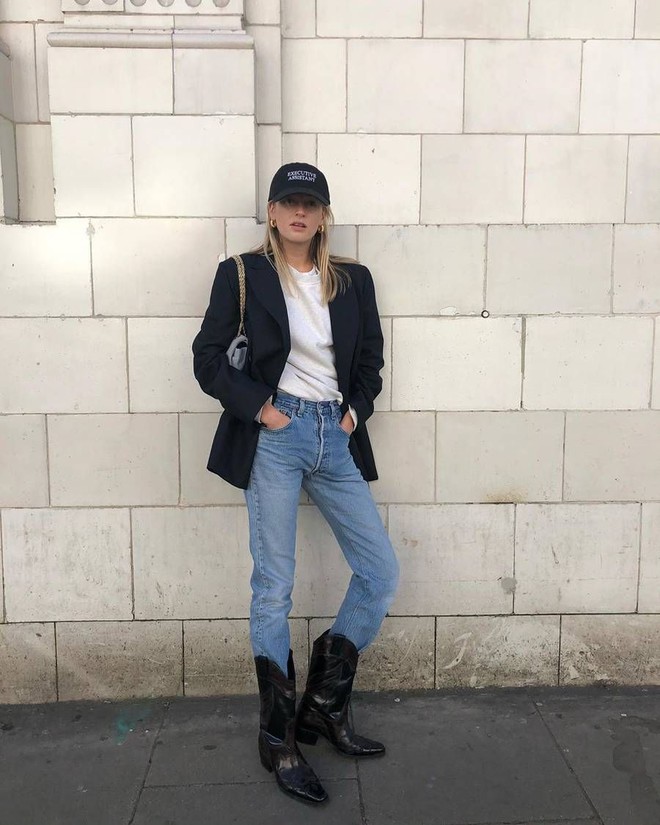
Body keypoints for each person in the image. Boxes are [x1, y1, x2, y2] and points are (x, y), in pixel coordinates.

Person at [192, 162, 400, 804]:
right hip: (275, 436)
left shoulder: (353, 280)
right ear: (273, 212)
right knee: (273, 587)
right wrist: (262, 409)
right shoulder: (242, 274)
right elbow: (207, 357)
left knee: (379, 571)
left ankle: (323, 706)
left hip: (334, 434)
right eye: (289, 202)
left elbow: (370, 360)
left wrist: (354, 411)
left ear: (324, 215)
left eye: (310, 203)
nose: (300, 213)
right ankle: (278, 738)